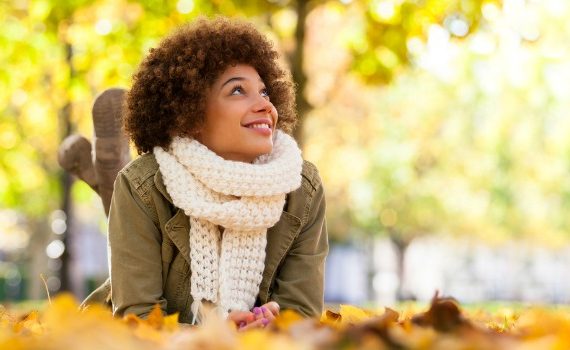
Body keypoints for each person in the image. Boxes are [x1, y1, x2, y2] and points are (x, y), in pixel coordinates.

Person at [82, 17, 328, 329]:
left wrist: (271, 332)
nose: (264, 105)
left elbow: (301, 315)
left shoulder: (301, 188)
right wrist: (214, 336)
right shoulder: (141, 185)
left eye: (265, 93)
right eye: (238, 90)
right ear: (190, 114)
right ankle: (106, 157)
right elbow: (140, 319)